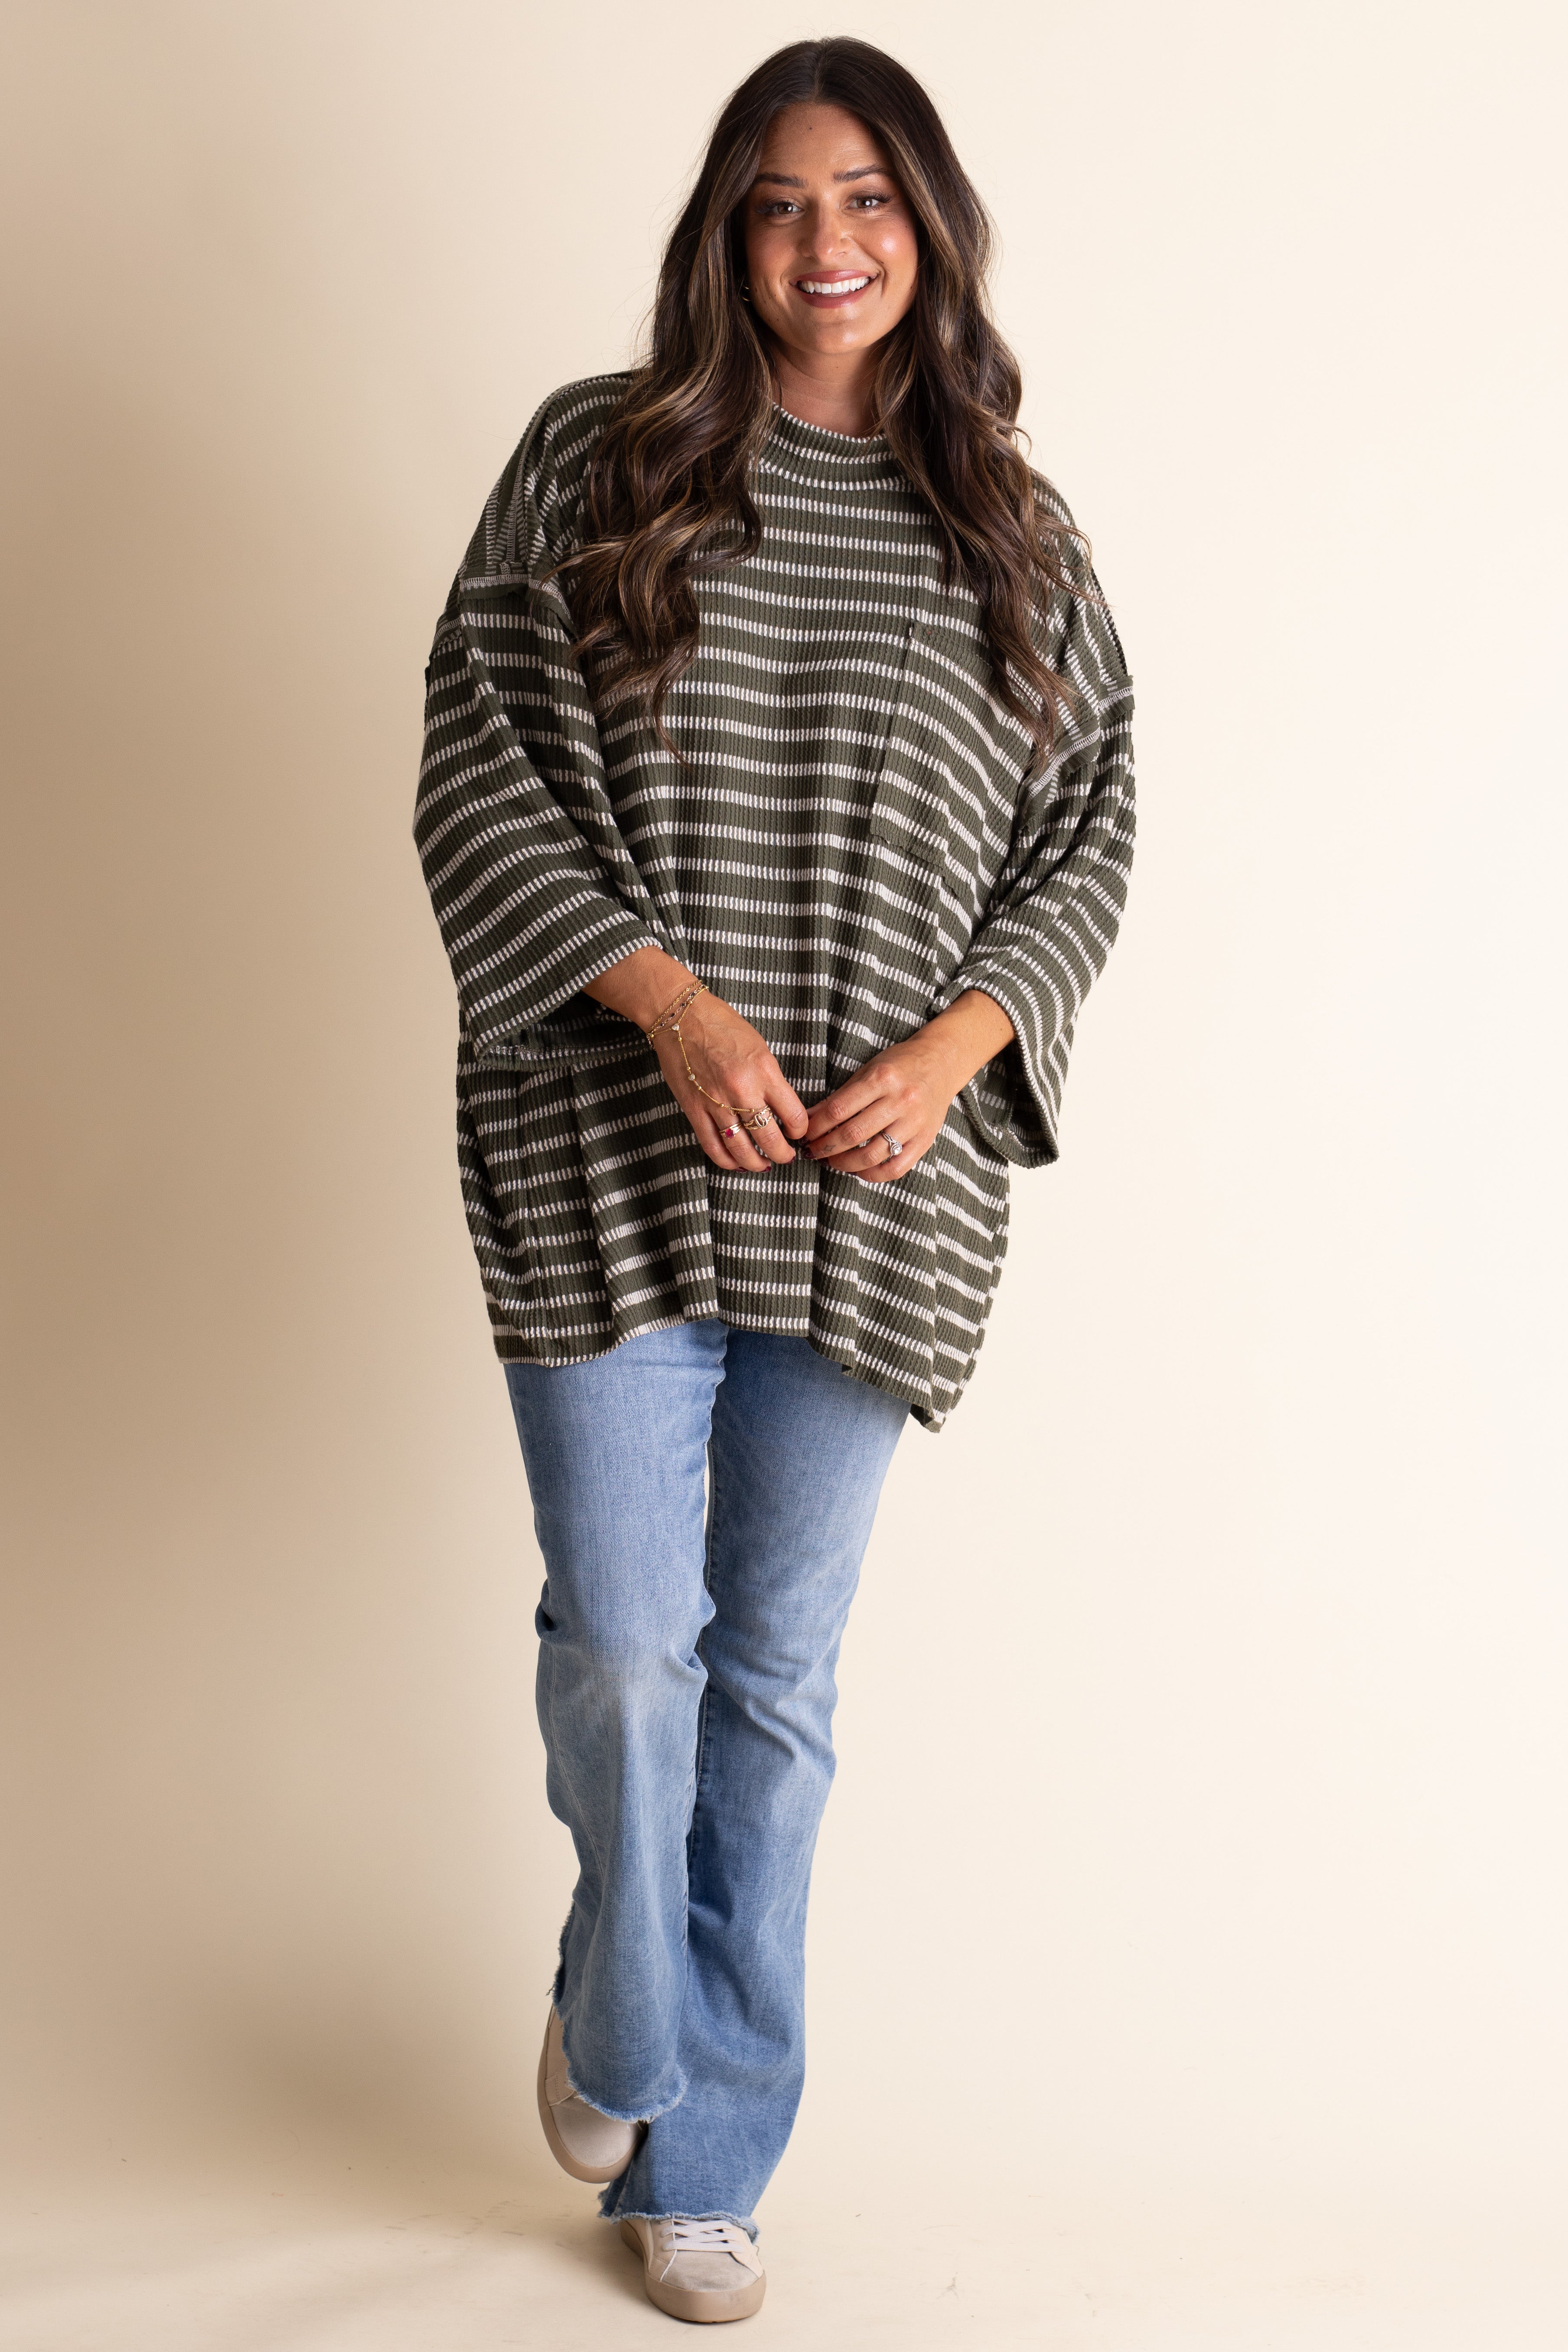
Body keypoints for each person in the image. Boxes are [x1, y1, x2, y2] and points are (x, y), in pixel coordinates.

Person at [416, 34, 1134, 2326]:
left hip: (875, 1187)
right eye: (779, 201)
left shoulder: (1012, 535)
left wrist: (951, 1047)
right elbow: (477, 755)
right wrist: (673, 1010)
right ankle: (626, 2012)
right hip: (609, 1153)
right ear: (726, 234)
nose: (827, 242)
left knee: (779, 1684)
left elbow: (1086, 832)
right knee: (633, 1647)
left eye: (868, 198)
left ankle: (706, 2156)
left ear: (929, 227)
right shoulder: (600, 461)